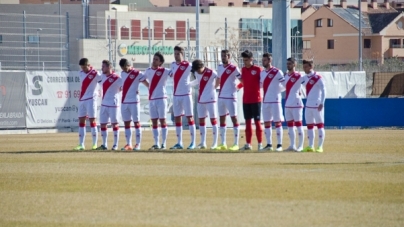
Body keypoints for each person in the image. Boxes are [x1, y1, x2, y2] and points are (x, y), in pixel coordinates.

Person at [169, 46, 197, 150]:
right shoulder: (172, 65)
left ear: (182, 54)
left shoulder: (188, 65)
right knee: (177, 118)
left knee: (190, 118)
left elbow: (198, 76)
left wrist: (190, 84)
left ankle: (193, 142)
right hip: (176, 96)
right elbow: (172, 75)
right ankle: (179, 142)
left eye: (178, 54)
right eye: (175, 54)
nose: (176, 56)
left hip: (186, 95)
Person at [119, 58, 149, 151]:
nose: (123, 70)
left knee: (136, 122)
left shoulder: (137, 73)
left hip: (134, 102)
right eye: (122, 68)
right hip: (124, 101)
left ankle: (138, 144)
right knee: (126, 123)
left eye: (124, 68)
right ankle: (129, 144)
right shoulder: (122, 73)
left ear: (128, 65)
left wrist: (150, 91)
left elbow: (146, 84)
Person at [143, 52, 171, 150]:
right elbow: (142, 79)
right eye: (154, 59)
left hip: (161, 98)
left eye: (156, 60)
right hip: (152, 99)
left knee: (163, 120)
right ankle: (156, 143)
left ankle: (164, 143)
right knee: (154, 121)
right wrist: (148, 86)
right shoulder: (148, 71)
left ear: (160, 62)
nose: (154, 61)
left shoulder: (165, 71)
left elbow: (174, 74)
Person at [190, 59, 219, 149]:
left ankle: (215, 143)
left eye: (199, 69)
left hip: (211, 99)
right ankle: (203, 143)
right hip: (201, 100)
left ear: (202, 66)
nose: (198, 71)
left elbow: (219, 77)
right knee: (201, 121)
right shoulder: (196, 73)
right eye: (196, 70)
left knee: (213, 120)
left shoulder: (211, 72)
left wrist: (215, 87)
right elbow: (198, 81)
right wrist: (189, 84)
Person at [216, 49, 242, 151]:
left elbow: (242, 80)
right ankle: (223, 143)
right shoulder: (219, 67)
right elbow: (218, 80)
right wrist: (214, 88)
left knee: (234, 119)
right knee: (222, 119)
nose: (223, 58)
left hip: (231, 97)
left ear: (229, 56)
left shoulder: (234, 68)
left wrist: (237, 88)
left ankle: (236, 144)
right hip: (221, 96)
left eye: (224, 56)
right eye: (222, 56)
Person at [73, 58, 102, 151]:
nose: (83, 69)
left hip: (91, 99)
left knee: (92, 121)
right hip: (82, 99)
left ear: (89, 65)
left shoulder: (95, 73)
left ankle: (94, 144)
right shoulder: (81, 73)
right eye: (82, 67)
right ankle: (81, 144)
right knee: (81, 121)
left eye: (85, 67)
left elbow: (103, 83)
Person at [260, 53, 285, 152]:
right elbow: (261, 85)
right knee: (266, 123)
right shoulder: (262, 73)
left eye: (265, 60)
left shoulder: (277, 72)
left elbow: (285, 85)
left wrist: (277, 91)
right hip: (265, 101)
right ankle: (269, 144)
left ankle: (279, 145)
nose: (263, 62)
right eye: (263, 60)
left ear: (270, 60)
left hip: (275, 101)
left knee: (277, 122)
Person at [238, 50, 263, 150]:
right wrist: (237, 87)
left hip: (256, 99)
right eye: (244, 60)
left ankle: (260, 144)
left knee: (257, 122)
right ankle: (248, 144)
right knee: (247, 122)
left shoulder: (258, 69)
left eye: (246, 60)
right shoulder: (243, 69)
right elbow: (244, 82)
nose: (245, 62)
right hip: (246, 99)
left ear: (251, 59)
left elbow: (261, 82)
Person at [97, 60, 123, 150]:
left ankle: (115, 145)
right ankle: (104, 144)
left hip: (113, 104)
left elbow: (123, 87)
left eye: (103, 66)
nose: (102, 68)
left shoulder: (117, 78)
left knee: (114, 124)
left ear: (109, 67)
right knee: (103, 124)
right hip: (104, 104)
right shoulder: (102, 76)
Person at [302, 60, 326, 152]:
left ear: (311, 67)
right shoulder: (304, 78)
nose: (304, 69)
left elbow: (324, 90)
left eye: (306, 67)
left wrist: (322, 103)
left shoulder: (318, 77)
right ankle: (310, 146)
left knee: (320, 125)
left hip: (317, 105)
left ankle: (320, 146)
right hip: (308, 105)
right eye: (303, 67)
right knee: (309, 126)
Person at [283, 57, 305, 152]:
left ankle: (300, 146)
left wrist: (300, 91)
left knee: (299, 125)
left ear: (294, 65)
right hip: (288, 103)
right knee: (290, 126)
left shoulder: (298, 76)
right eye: (287, 63)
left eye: (290, 64)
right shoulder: (285, 76)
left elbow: (305, 84)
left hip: (296, 103)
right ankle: (292, 145)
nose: (288, 65)